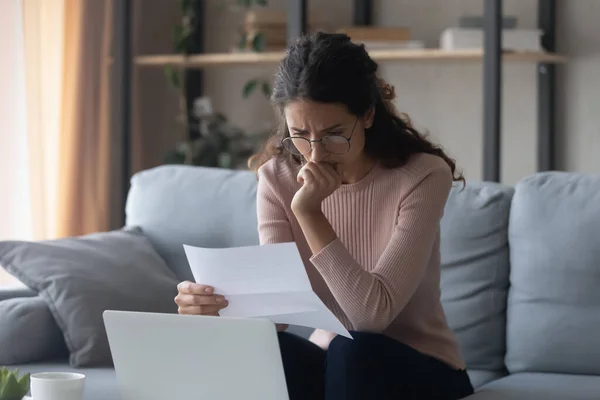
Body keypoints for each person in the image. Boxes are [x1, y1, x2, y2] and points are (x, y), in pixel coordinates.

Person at [175, 32, 474, 400]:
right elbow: (278, 314)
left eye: (334, 134)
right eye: (300, 134)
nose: (315, 156)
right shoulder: (276, 178)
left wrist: (309, 211)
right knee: (266, 352)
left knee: (355, 348)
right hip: (336, 361)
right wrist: (214, 311)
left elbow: (371, 317)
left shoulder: (422, 175)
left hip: (421, 366)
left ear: (367, 114)